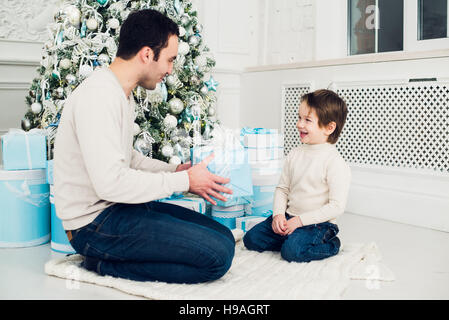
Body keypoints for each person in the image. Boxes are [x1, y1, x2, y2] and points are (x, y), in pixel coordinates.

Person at [53, 9, 235, 284]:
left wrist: (176, 169)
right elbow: (111, 183)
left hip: (118, 209)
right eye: (170, 60)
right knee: (216, 257)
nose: (170, 70)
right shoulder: (99, 97)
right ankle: (101, 263)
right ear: (147, 54)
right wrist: (183, 180)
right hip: (92, 225)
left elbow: (128, 159)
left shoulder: (118, 91)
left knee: (224, 237)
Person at [243, 89, 351, 263]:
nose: (300, 124)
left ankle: (332, 244)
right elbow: (282, 189)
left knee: (292, 253)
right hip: (289, 217)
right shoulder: (295, 154)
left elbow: (336, 206)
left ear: (329, 128)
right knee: (251, 240)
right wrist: (278, 215)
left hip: (317, 225)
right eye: (299, 118)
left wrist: (301, 221)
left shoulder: (334, 162)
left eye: (307, 120)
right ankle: (290, 238)